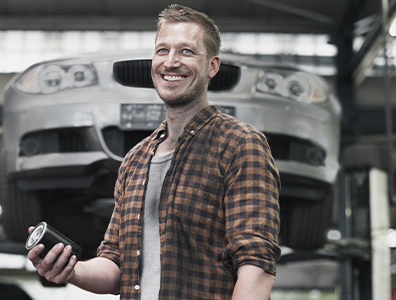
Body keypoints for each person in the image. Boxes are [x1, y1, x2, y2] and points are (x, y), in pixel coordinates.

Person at [26, 4, 281, 300]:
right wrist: (70, 270)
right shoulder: (135, 160)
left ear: (212, 66)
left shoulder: (240, 144)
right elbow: (116, 265)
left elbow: (256, 265)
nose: (171, 62)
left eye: (186, 51)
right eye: (162, 51)